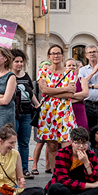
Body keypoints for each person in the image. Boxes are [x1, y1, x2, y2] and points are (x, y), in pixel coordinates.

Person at [36, 44, 77, 176]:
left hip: (65, 112)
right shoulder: (43, 71)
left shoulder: (70, 72)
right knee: (52, 146)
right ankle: (56, 176)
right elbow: (44, 90)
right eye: (53, 53)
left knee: (67, 146)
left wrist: (51, 92)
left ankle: (67, 175)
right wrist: (64, 89)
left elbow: (71, 93)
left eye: (58, 53)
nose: (56, 56)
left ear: (62, 55)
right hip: (48, 112)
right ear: (49, 56)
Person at [46, 127, 98, 195]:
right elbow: (63, 179)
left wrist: (86, 163)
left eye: (84, 143)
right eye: (78, 143)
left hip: (83, 185)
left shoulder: (91, 155)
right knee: (54, 188)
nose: (81, 146)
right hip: (70, 186)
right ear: (72, 142)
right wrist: (90, 186)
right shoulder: (62, 153)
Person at [10, 50, 37, 176]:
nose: (19, 64)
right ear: (11, 62)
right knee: (11, 142)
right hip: (13, 113)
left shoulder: (26, 76)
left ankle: (24, 169)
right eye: (16, 61)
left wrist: (37, 105)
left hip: (26, 113)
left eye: (21, 61)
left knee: (24, 143)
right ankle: (11, 169)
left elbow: (31, 93)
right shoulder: (9, 76)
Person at [66, 58, 91, 131]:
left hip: (79, 110)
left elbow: (85, 94)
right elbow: (60, 96)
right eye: (69, 65)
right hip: (66, 110)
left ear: (77, 68)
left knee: (82, 131)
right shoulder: (62, 81)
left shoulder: (82, 79)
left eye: (73, 65)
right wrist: (79, 97)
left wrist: (69, 96)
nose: (71, 67)